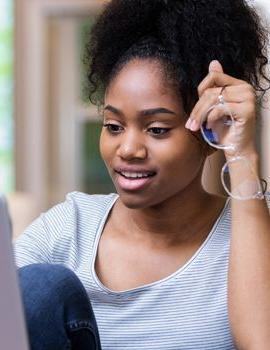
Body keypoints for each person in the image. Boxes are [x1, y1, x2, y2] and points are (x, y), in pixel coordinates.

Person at [14, 0, 270, 349]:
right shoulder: (69, 228)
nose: (128, 148)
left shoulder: (253, 231)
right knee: (38, 287)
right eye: (114, 126)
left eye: (158, 129)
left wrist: (242, 155)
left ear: (210, 133)